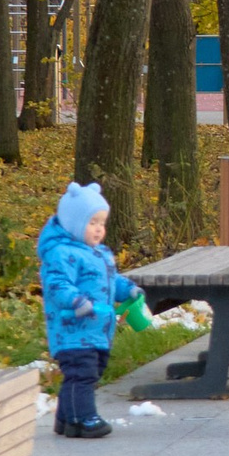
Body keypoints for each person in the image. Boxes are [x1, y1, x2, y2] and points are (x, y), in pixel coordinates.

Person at [38, 180, 135, 439]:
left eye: (102, 223)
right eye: (92, 223)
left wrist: (128, 290)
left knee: (92, 370)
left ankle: (66, 419)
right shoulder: (61, 253)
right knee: (82, 373)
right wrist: (76, 301)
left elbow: (111, 281)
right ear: (73, 223)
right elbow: (57, 284)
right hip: (72, 328)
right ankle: (83, 417)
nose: (99, 229)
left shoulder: (100, 253)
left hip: (96, 328)